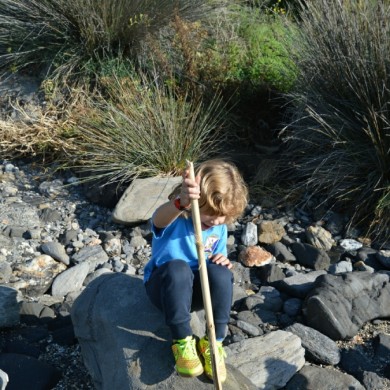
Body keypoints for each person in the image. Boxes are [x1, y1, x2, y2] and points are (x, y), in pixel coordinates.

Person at [143, 159, 248, 382]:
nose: (217, 220)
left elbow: (213, 260)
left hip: (197, 296)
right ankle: (182, 341)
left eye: (223, 216)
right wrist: (180, 202)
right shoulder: (176, 217)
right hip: (165, 288)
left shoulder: (218, 227)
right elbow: (157, 220)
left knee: (221, 273)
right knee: (178, 268)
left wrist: (220, 260)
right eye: (211, 212)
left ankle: (213, 343)